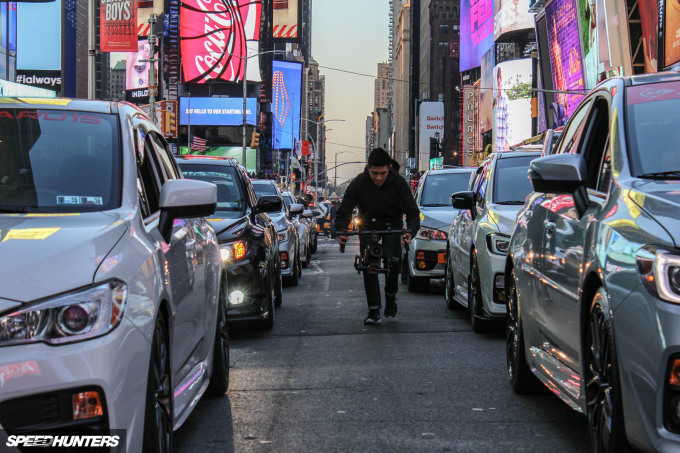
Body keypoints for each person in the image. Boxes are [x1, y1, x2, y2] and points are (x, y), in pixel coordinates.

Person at [336, 148, 420, 325]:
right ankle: (373, 310)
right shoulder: (359, 182)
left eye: (383, 173)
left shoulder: (398, 182)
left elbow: (413, 213)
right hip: (368, 226)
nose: (379, 178)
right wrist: (342, 231)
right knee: (369, 265)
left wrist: (409, 232)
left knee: (393, 262)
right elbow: (345, 210)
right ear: (368, 169)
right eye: (375, 173)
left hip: (393, 226)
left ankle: (391, 297)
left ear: (389, 168)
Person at [494, 66, 511, 152]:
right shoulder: (492, 99)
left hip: (502, 150)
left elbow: (509, 124)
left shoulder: (505, 99)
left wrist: (506, 146)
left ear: (500, 79)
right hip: (493, 150)